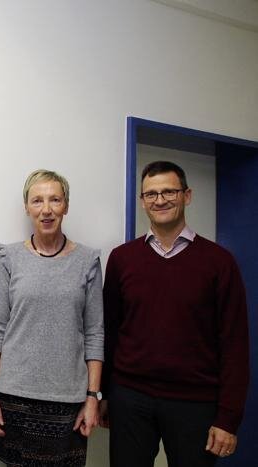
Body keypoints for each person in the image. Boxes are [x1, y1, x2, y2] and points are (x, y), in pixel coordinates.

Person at [100, 160, 249, 467]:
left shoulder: (219, 262)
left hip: (195, 403)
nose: (160, 200)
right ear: (142, 201)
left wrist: (228, 417)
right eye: (151, 194)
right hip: (130, 398)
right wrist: (105, 395)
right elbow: (109, 331)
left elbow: (235, 344)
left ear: (187, 196)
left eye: (169, 192)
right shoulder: (122, 259)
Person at [0, 169, 104, 467]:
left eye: (55, 200)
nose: (46, 209)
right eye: (37, 200)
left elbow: (95, 332)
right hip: (16, 396)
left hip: (68, 400)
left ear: (66, 206)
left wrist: (92, 397)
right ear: (27, 207)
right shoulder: (10, 257)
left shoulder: (88, 261)